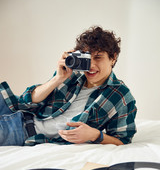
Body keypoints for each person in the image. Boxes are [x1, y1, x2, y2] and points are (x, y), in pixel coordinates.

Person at [0, 26, 137, 146]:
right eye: (87, 58)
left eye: (98, 57)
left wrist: (95, 135)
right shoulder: (71, 74)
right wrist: (57, 79)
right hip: (11, 105)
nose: (91, 65)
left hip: (23, 130)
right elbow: (25, 100)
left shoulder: (120, 95)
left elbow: (123, 140)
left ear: (113, 58)